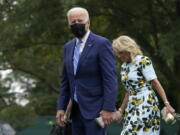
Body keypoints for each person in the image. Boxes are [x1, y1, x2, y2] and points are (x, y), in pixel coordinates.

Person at [56, 7, 117, 135]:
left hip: (97, 111)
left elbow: (110, 79)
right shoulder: (68, 47)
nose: (76, 24)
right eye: (73, 22)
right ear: (69, 25)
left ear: (88, 22)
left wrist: (108, 108)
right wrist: (61, 108)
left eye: (80, 20)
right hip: (76, 112)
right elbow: (65, 81)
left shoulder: (102, 43)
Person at [112, 35, 176, 135]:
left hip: (146, 102)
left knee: (131, 132)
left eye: (120, 52)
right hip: (132, 105)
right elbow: (129, 91)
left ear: (128, 49)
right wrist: (120, 110)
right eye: (117, 53)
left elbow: (155, 83)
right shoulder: (124, 67)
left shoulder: (142, 61)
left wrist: (167, 104)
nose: (119, 56)